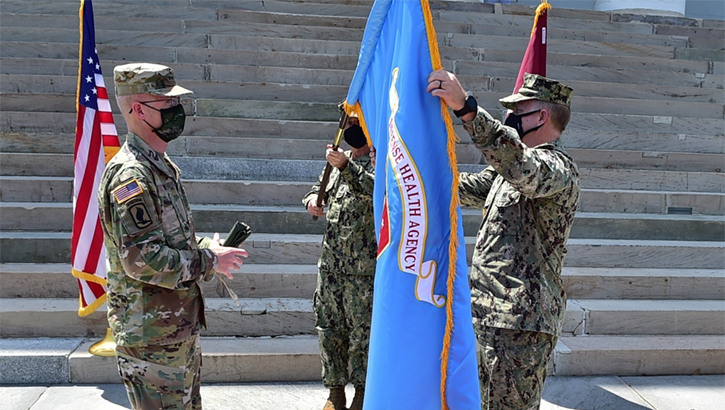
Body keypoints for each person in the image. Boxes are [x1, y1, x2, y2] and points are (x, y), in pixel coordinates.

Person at [98, 63, 248, 410]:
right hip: (151, 338)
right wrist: (210, 261)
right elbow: (141, 260)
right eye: (166, 105)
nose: (176, 112)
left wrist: (206, 248)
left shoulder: (159, 167)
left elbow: (169, 243)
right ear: (138, 110)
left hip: (173, 331)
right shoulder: (130, 176)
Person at [427, 71, 580, 410]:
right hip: (486, 314)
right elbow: (460, 188)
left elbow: (523, 168)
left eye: (517, 111)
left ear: (540, 116)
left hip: (520, 322)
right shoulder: (506, 171)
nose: (509, 118)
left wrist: (468, 110)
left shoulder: (557, 168)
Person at [302, 116, 377, 410]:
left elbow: (376, 192)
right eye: (347, 124)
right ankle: (334, 393)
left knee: (362, 334)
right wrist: (311, 201)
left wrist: (347, 168)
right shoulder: (338, 160)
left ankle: (361, 393)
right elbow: (316, 188)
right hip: (332, 266)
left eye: (356, 123)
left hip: (363, 271)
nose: (349, 130)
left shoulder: (379, 161)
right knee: (329, 330)